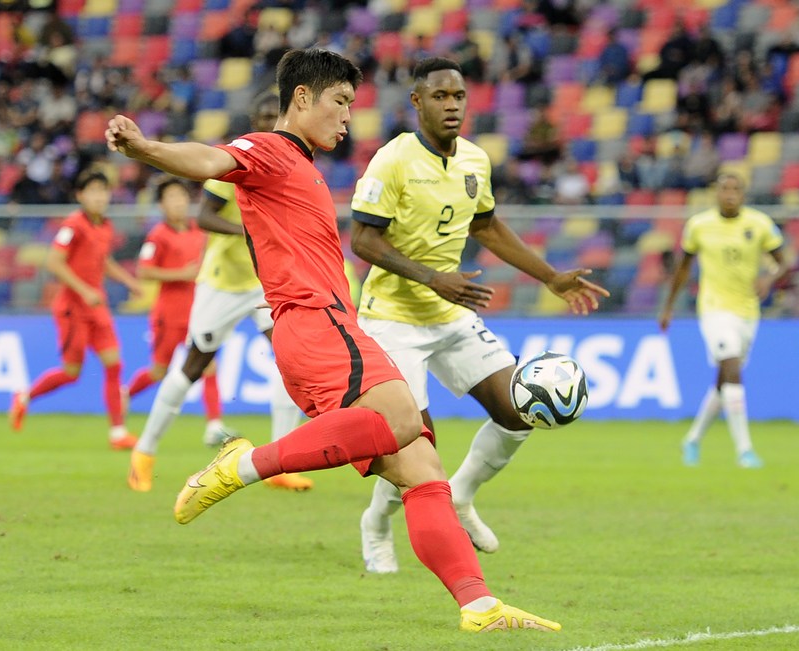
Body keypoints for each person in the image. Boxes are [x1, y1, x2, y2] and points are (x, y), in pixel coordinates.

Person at [107, 47, 562, 633]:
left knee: (423, 467)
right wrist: (146, 148)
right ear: (301, 99)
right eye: (340, 102)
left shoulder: (300, 163)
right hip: (315, 322)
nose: (348, 117)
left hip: (329, 325)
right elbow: (209, 159)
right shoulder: (270, 150)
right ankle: (244, 464)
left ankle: (478, 604)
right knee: (401, 418)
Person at [349, 57, 609, 574]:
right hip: (393, 319)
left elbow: (487, 228)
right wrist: (430, 276)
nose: (451, 105)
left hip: (450, 312)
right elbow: (362, 239)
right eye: (440, 96)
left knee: (519, 410)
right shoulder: (393, 159)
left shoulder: (474, 160)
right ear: (417, 102)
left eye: (459, 96)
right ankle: (376, 523)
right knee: (414, 445)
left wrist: (550, 276)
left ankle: (463, 495)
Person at [125, 91, 309, 493]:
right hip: (221, 284)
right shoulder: (235, 163)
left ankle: (278, 463)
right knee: (192, 366)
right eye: (261, 116)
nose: (267, 123)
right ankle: (144, 450)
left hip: (263, 283)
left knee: (290, 361)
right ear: (252, 119)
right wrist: (247, 232)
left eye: (273, 116)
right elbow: (205, 216)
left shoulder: (291, 162)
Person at [659, 173, 786, 468]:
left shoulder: (760, 224)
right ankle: (745, 450)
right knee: (732, 370)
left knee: (723, 383)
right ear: (716, 193)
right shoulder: (699, 226)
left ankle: (692, 440)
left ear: (743, 194)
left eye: (735, 189)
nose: (729, 194)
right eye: (724, 189)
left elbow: (784, 261)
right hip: (714, 309)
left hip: (748, 311)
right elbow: (682, 269)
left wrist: (770, 278)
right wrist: (668, 307)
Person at [9, 169, 141, 449]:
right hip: (73, 308)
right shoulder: (73, 224)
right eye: (92, 191)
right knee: (71, 372)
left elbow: (103, 261)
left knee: (114, 364)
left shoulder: (104, 226)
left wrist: (130, 281)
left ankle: (117, 433)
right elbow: (54, 262)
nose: (99, 197)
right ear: (80, 196)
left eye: (103, 191)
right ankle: (25, 396)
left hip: (97, 307)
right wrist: (84, 290)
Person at [124, 176, 220, 438]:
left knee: (208, 365)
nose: (178, 202)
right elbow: (144, 271)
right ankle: (126, 394)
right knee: (159, 371)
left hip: (197, 311)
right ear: (162, 205)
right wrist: (181, 273)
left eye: (181, 196)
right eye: (171, 198)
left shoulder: (199, 231)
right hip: (169, 313)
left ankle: (214, 425)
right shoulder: (158, 235)